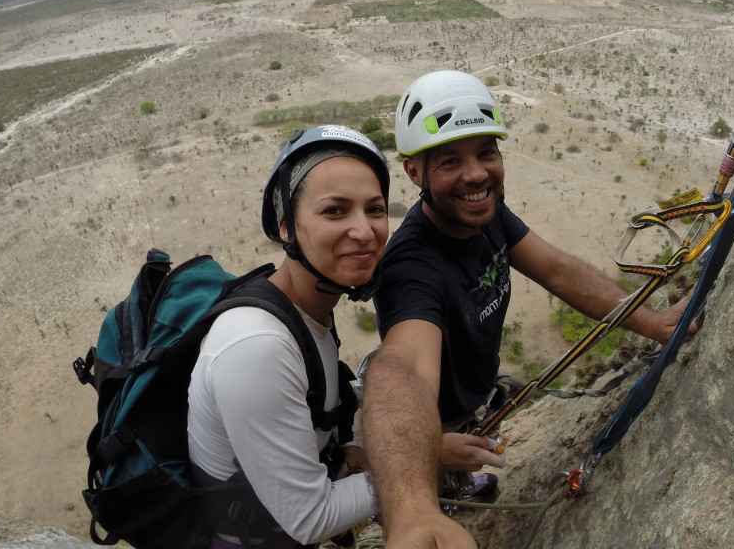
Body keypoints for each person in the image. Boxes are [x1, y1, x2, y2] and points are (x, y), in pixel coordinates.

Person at [362, 70, 696, 549]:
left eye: (487, 153)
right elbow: (405, 368)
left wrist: (652, 323)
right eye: (451, 160)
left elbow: (557, 270)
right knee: (434, 491)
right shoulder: (412, 268)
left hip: (469, 398)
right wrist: (426, 459)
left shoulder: (483, 210)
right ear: (414, 172)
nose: (476, 174)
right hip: (430, 419)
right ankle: (439, 501)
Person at [188, 125, 388, 549]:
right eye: (335, 211)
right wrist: (422, 460)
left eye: (374, 209)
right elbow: (311, 519)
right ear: (286, 228)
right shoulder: (258, 345)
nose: (365, 231)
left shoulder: (308, 309)